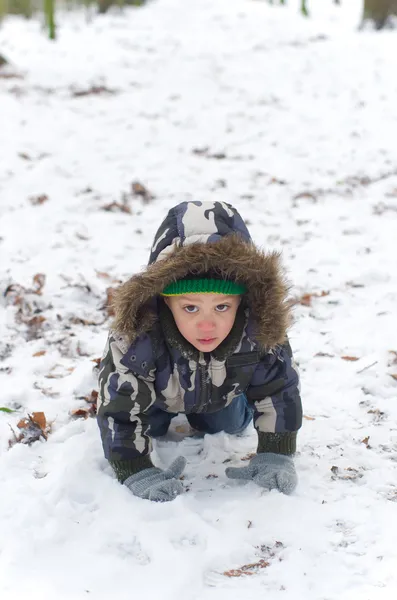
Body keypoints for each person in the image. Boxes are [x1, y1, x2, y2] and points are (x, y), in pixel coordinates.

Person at [97, 201, 302, 502]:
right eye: (190, 307)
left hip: (221, 394)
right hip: (157, 397)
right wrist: (135, 468)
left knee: (228, 424)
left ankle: (213, 412)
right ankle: (161, 417)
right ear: (165, 301)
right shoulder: (138, 337)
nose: (207, 325)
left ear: (242, 302)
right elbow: (119, 409)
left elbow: (280, 389)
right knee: (150, 426)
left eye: (222, 306)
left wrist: (276, 453)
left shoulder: (259, 329)